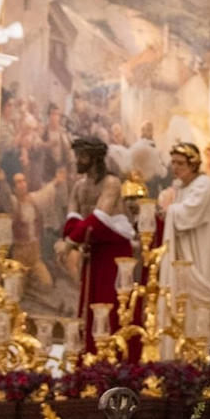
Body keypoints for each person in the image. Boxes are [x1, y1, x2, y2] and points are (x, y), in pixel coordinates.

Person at [60, 135, 136, 351]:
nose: (77, 161)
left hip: (114, 251)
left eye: (81, 156)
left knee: (110, 301)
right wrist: (71, 240)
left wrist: (70, 243)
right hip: (93, 250)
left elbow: (100, 218)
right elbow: (72, 221)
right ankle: (89, 352)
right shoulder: (78, 187)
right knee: (89, 302)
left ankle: (111, 352)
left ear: (94, 157)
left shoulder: (111, 183)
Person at [156, 143, 210, 331]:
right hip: (186, 254)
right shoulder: (182, 187)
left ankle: (201, 352)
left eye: (180, 163)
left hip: (202, 254)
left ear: (193, 164)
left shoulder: (204, 185)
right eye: (173, 162)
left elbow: (188, 214)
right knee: (183, 302)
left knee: (198, 305)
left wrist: (168, 209)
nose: (175, 167)